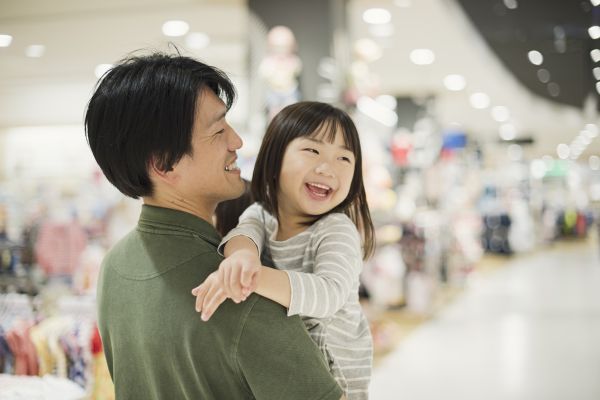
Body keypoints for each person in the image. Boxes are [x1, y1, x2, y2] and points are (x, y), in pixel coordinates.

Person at [85, 52, 345, 400]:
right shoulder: (244, 289)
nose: (236, 141)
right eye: (219, 130)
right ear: (164, 163)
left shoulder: (114, 267)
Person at [193, 101, 376, 399]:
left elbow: (329, 295)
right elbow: (244, 235)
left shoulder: (336, 229)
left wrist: (251, 277)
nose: (327, 168)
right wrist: (242, 257)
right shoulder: (261, 214)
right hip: (290, 375)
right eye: (313, 151)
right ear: (275, 159)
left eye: (344, 158)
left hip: (336, 383)